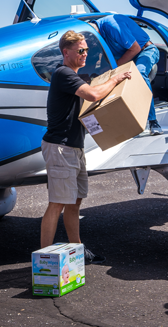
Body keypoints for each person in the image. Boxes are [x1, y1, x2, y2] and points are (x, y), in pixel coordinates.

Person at [40, 30, 131, 265]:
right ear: (66, 52)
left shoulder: (74, 76)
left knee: (75, 200)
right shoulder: (63, 74)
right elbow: (92, 95)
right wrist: (115, 79)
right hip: (61, 148)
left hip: (74, 147)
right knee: (57, 203)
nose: (84, 54)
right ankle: (46, 262)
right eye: (81, 50)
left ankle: (77, 251)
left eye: (86, 50)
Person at [89, 14, 163, 135]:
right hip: (127, 58)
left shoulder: (112, 25)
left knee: (139, 73)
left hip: (146, 51)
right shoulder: (96, 36)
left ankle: (153, 121)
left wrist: (117, 68)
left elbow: (135, 49)